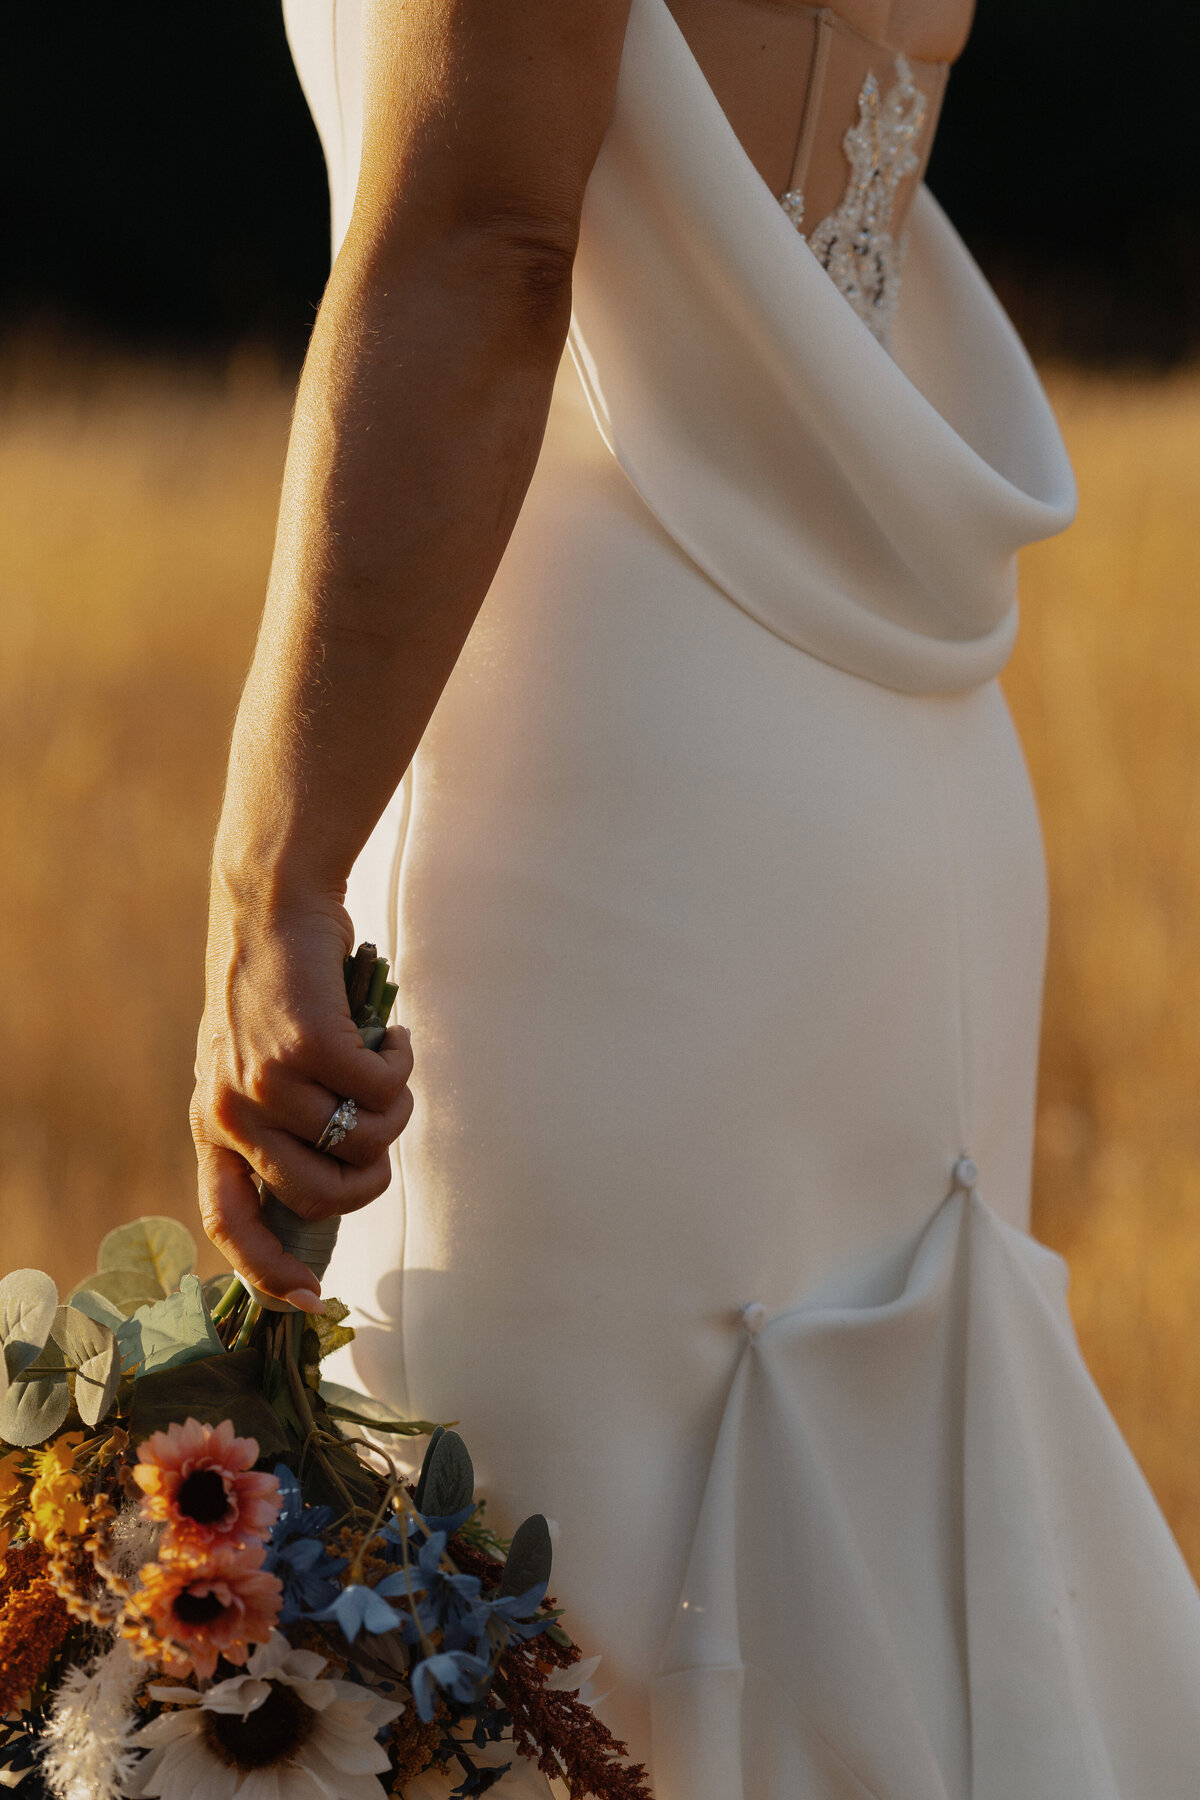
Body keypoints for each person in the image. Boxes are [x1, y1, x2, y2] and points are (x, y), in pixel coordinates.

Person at [191, 0, 1200, 1792]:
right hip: (901, 777)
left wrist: (276, 866)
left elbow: (487, 233)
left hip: (592, 805)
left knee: (546, 1651)